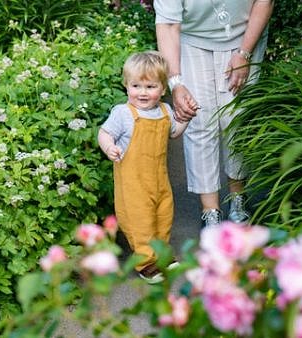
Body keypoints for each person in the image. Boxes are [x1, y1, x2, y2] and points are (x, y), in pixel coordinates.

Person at [154, 0, 274, 227]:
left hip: (244, 35)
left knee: (236, 119)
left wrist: (244, 54)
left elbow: (264, 1)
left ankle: (238, 197)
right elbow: (168, 25)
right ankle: (210, 211)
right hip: (193, 39)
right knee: (199, 118)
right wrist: (176, 83)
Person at [97, 51, 189, 284]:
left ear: (163, 89)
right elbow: (104, 133)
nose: (142, 92)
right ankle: (146, 262)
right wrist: (109, 148)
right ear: (126, 85)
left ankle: (161, 253)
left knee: (163, 216)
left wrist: (186, 119)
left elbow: (174, 133)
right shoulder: (124, 113)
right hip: (134, 183)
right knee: (141, 222)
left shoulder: (166, 112)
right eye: (136, 86)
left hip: (159, 180)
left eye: (150, 86)